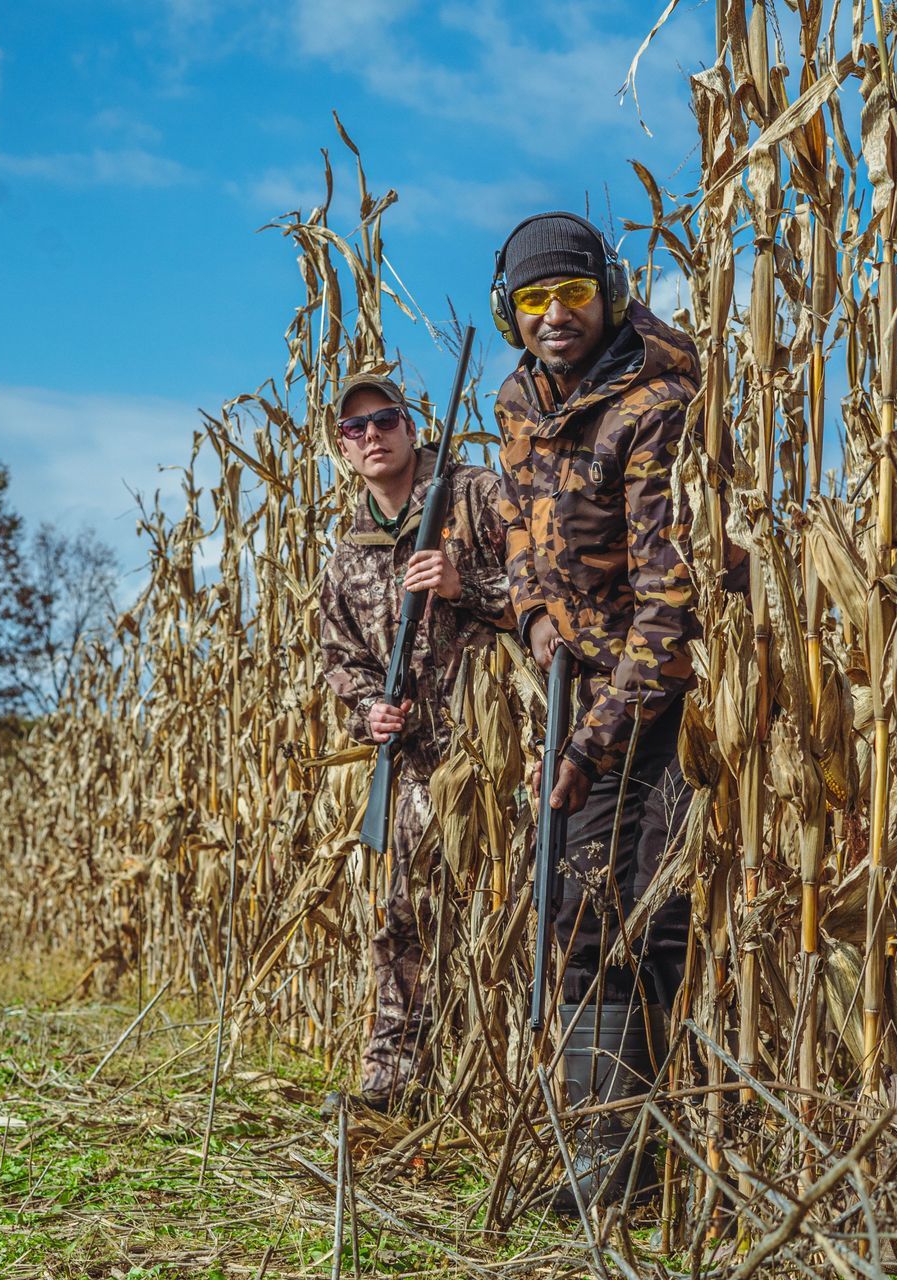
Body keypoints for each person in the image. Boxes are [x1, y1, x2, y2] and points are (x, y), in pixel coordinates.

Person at [489, 211, 704, 1211]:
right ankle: (602, 1160)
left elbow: (673, 603)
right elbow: (522, 540)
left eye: (571, 293)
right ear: (510, 312)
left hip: (655, 706)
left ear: (607, 295)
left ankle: (616, 1173)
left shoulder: (657, 405)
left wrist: (595, 737)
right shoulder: (520, 402)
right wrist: (534, 617)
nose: (553, 315)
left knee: (631, 927)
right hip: (577, 694)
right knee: (578, 917)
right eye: (533, 300)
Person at [316, 369, 513, 1112]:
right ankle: (392, 1087)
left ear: (411, 425)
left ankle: (510, 1086)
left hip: (505, 758)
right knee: (403, 923)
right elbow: (341, 660)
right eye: (355, 428)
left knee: (515, 910)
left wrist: (470, 587)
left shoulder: (477, 497)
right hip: (415, 771)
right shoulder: (347, 557)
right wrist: (371, 711)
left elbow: (551, 593)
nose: (372, 435)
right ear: (343, 445)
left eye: (385, 419)